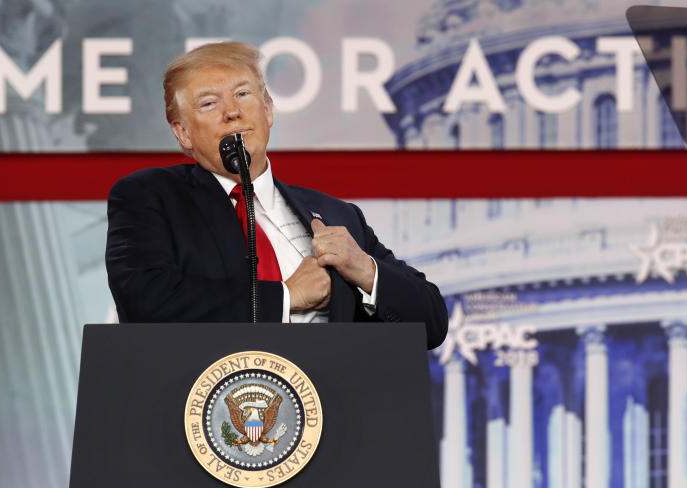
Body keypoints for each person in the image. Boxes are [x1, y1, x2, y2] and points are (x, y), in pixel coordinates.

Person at [105, 42, 448, 350]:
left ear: (268, 110)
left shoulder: (338, 215)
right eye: (209, 103)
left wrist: (363, 269)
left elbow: (431, 323)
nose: (231, 112)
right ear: (183, 133)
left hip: (329, 410)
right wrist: (284, 297)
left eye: (242, 94)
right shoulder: (151, 196)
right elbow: (144, 300)